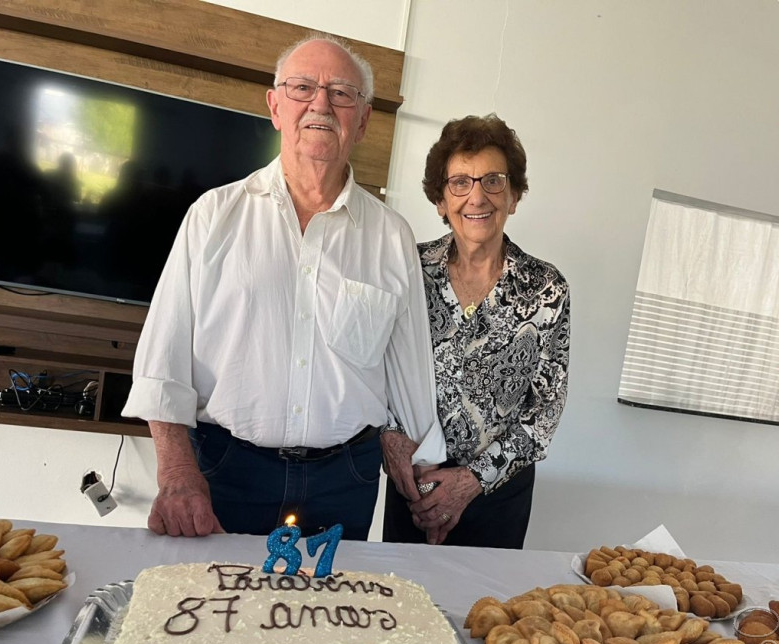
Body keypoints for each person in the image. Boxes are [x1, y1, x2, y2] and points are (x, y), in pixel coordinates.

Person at [122, 34, 445, 540]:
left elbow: (408, 372)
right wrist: (177, 473)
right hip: (227, 471)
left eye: (342, 93)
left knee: (331, 618)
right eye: (302, 87)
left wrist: (424, 469)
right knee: (218, 615)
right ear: (275, 107)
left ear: (361, 121)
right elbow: (162, 361)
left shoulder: (391, 235)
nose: (321, 103)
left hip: (348, 479)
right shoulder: (212, 216)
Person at [382, 114, 570, 549]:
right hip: (413, 485)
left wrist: (470, 481)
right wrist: (390, 442)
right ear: (440, 200)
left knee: (485, 614)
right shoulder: (408, 269)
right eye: (460, 182)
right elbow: (375, 366)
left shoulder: (547, 288)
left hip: (496, 494)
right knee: (401, 609)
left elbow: (544, 411)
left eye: (493, 180)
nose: (477, 196)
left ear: (515, 195)